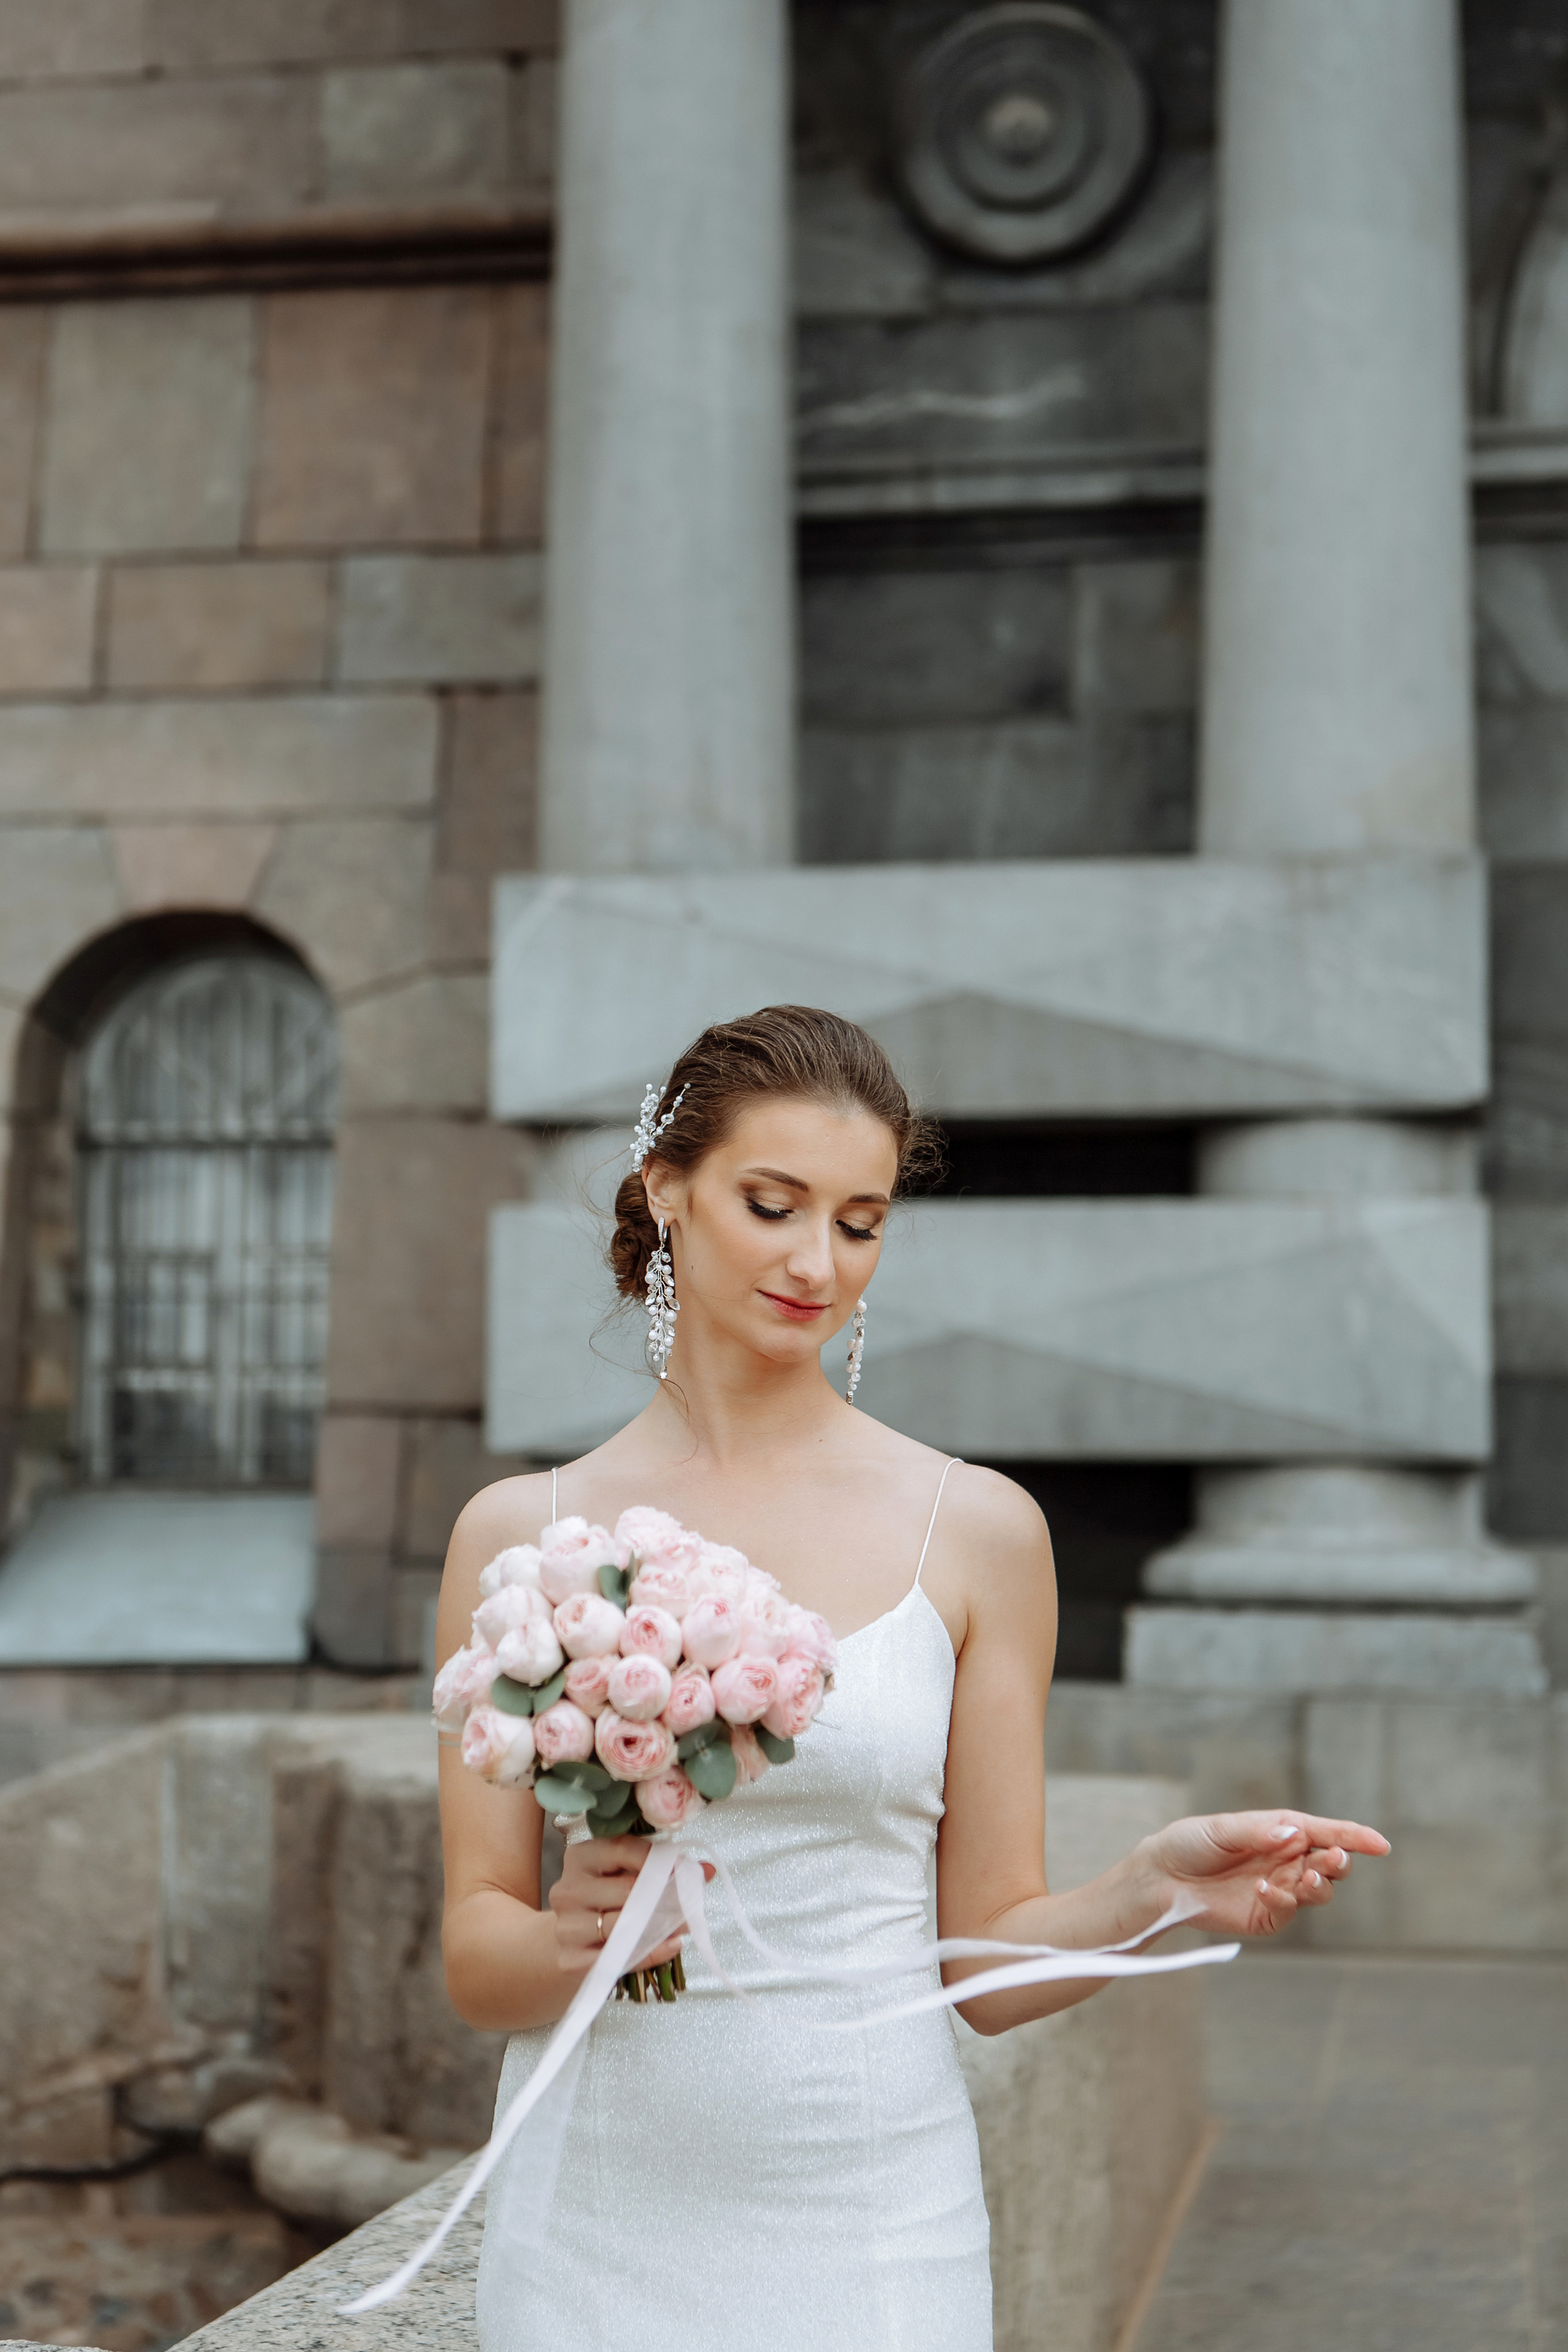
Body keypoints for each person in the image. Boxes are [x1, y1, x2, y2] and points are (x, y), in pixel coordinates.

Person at [434, 1005, 1387, 2352]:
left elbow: (982, 1968)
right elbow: (476, 1959)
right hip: (591, 2216)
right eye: (772, 1206)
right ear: (667, 1191)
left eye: (860, 1222)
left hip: (875, 2215)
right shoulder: (521, 1537)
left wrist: (1152, 1894)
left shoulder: (978, 1531)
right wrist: (564, 1938)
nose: (815, 1262)